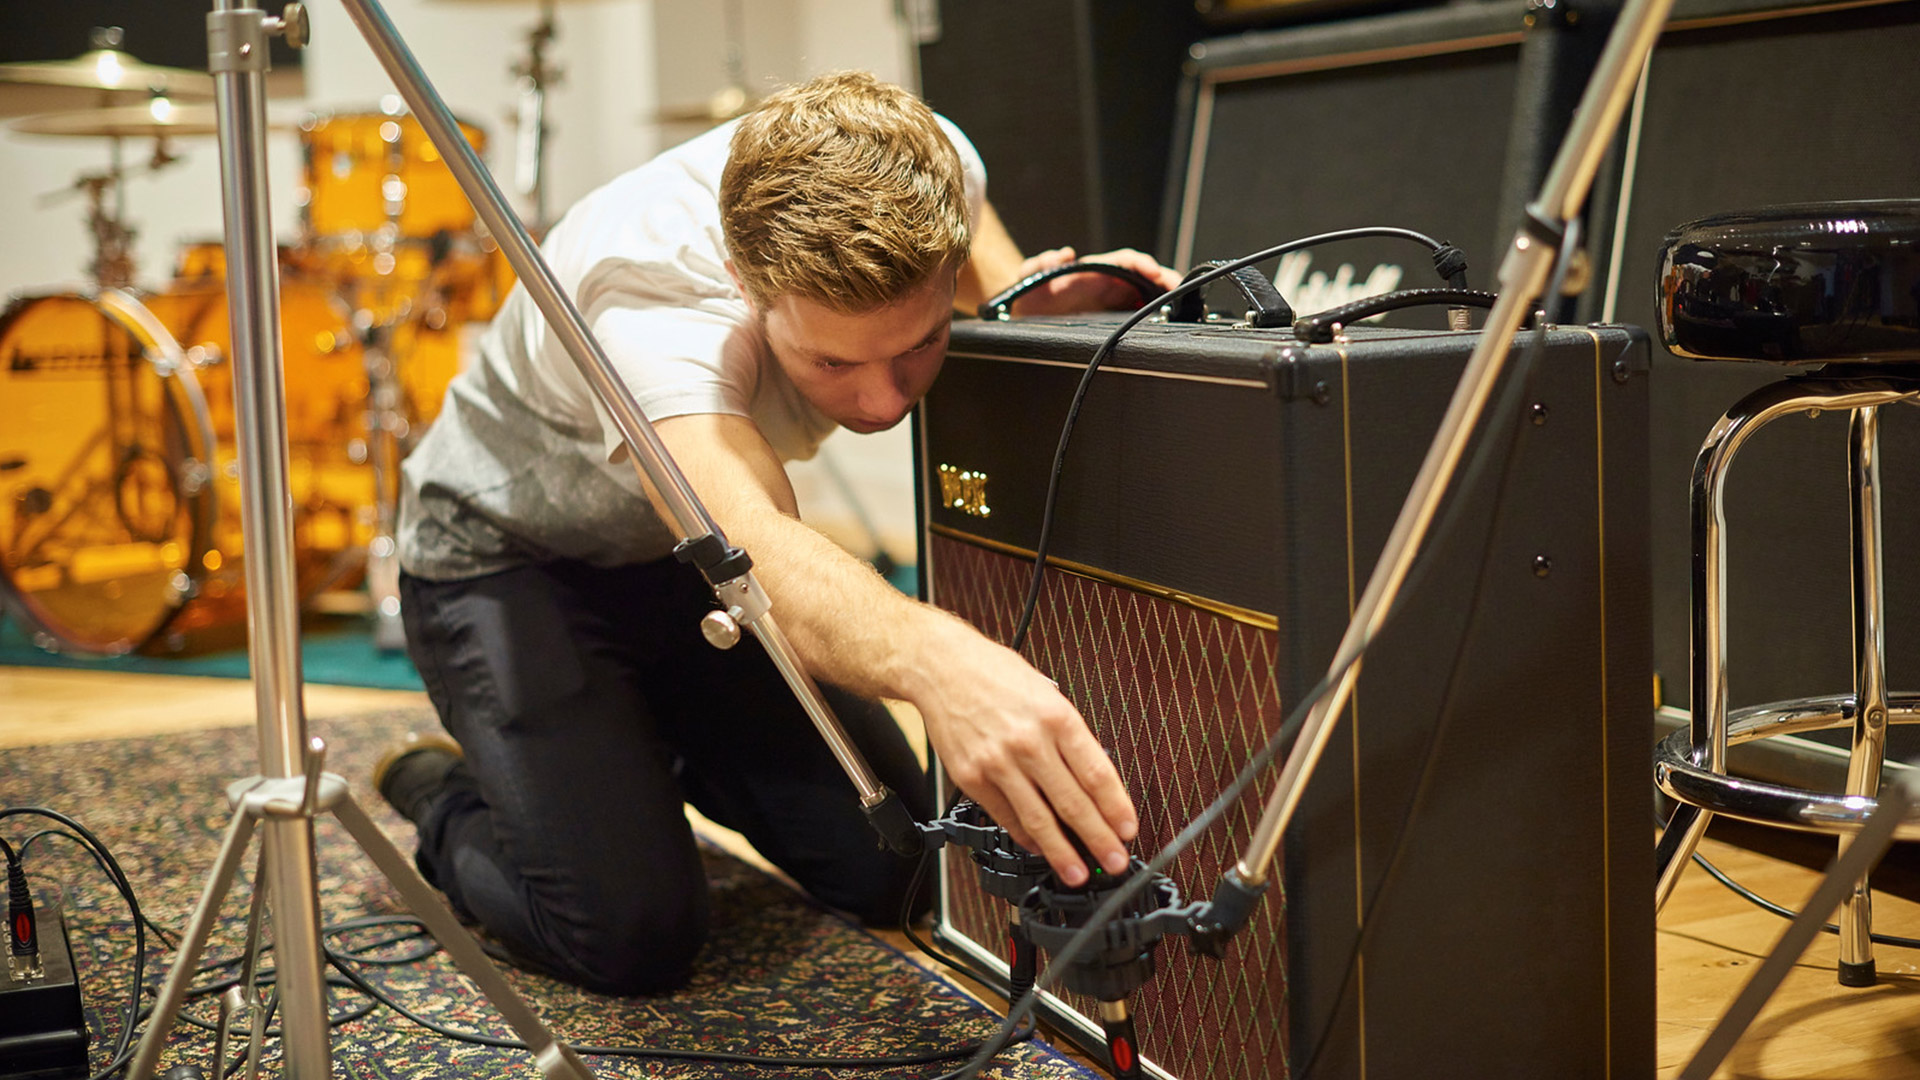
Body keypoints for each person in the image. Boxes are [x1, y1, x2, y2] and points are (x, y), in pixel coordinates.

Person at [379, 70, 1181, 995]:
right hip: (506, 560)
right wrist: (940, 665)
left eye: (917, 345)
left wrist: (1029, 301)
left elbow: (1000, 293)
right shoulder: (650, 296)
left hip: (675, 569)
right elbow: (751, 545)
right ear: (739, 281)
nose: (883, 403)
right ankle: (439, 795)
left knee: (907, 870)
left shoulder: (934, 167)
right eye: (832, 361)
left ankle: (625, 754)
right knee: (628, 935)